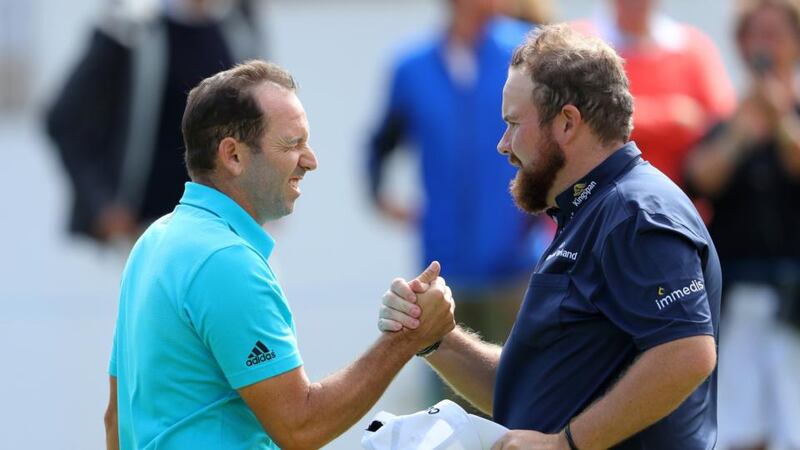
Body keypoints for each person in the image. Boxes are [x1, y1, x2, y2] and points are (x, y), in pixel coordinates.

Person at [379, 24, 721, 449]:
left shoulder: (634, 213)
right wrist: (438, 339)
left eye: (513, 124)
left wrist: (564, 444)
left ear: (567, 123)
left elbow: (687, 352)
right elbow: (530, 393)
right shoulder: (590, 211)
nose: (504, 144)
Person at [105, 60, 456, 450]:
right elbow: (300, 427)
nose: (311, 160)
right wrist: (407, 337)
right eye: (292, 144)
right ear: (233, 155)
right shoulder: (225, 260)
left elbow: (115, 419)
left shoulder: (154, 241)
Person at [367, 0, 549, 366]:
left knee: (523, 384)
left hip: (518, 263)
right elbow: (383, 140)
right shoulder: (412, 66)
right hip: (444, 267)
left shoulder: (529, 55)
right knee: (450, 388)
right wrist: (380, 196)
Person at [46, 0, 263, 244]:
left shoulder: (238, 27)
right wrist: (102, 203)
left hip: (225, 226)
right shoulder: (128, 29)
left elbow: (259, 116)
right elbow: (65, 120)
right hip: (147, 229)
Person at [685, 1, 800, 448]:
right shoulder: (727, 123)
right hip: (740, 299)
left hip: (795, 302)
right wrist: (743, 132)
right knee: (737, 430)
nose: (764, 45)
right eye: (756, 35)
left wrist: (780, 120)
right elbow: (700, 179)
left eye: (775, 34)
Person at [571, 0, 735, 188]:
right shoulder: (578, 45)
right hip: (598, 198)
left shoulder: (693, 48)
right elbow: (581, 118)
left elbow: (720, 120)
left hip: (680, 199)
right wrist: (670, 118)